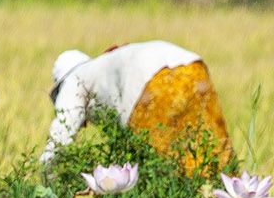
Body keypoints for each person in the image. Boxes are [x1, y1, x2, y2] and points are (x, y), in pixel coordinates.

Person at [40, 40, 231, 173]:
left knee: (164, 167)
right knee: (215, 153)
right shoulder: (103, 65)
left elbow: (61, 135)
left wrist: (44, 179)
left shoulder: (74, 79)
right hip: (192, 68)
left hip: (153, 82)